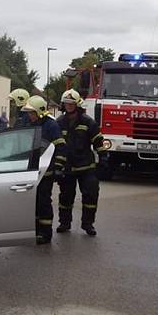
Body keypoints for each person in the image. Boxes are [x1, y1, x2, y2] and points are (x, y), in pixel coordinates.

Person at [55, 89, 104, 236]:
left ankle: (88, 224)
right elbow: (55, 145)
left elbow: (98, 143)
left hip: (86, 167)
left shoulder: (88, 122)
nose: (69, 106)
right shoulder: (59, 122)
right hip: (67, 167)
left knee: (90, 196)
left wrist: (103, 162)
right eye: (66, 103)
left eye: (71, 103)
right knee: (65, 198)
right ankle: (64, 223)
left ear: (77, 105)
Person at [21, 95, 66, 244]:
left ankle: (45, 234)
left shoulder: (51, 125)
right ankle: (34, 230)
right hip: (31, 171)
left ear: (39, 111)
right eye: (28, 112)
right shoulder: (28, 123)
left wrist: (58, 167)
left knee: (43, 201)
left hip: (46, 172)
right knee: (31, 201)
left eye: (31, 112)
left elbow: (60, 147)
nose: (29, 115)